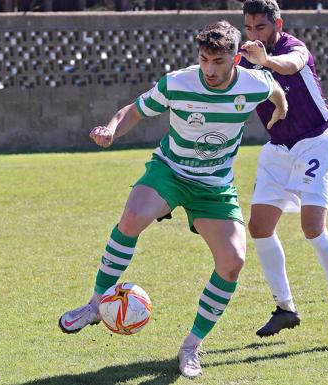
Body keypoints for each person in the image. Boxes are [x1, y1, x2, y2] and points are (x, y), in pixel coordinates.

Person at [58, 20, 287, 378]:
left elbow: (275, 91)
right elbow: (134, 109)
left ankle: (191, 347)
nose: (209, 70)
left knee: (233, 263)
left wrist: (282, 108)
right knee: (131, 219)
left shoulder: (253, 83)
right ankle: (95, 304)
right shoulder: (178, 82)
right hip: (170, 171)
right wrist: (111, 129)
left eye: (218, 62)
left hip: (213, 186)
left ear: (236, 60)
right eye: (203, 60)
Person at [238, 0, 328, 339]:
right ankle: (285, 308)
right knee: (259, 227)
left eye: (260, 27)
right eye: (248, 28)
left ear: (278, 23)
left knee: (311, 226)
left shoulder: (294, 48)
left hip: (316, 142)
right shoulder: (245, 61)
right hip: (277, 149)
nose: (254, 35)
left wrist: (266, 61)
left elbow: (291, 66)